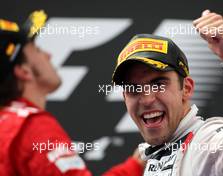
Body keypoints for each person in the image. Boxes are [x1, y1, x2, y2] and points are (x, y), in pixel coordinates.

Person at [112, 9, 223, 175]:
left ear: (186, 89)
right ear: (125, 98)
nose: (147, 99)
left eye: (159, 84)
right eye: (134, 89)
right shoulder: (151, 159)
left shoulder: (208, 143)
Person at [0, 10, 144, 176]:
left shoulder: (7, 123)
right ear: (24, 71)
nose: (48, 55)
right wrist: (135, 167)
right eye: (37, 50)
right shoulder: (31, 126)